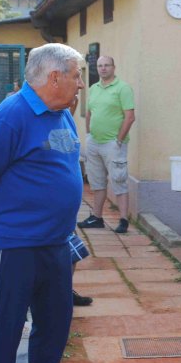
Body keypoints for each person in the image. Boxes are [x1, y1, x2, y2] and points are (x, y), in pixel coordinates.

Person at [0, 43, 85, 363]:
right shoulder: (11, 117)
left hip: (57, 244)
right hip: (17, 246)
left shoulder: (62, 113)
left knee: (54, 329)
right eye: (76, 76)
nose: (80, 84)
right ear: (55, 77)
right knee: (5, 332)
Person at [77, 55, 135, 233]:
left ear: (113, 67)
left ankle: (123, 220)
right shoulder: (93, 88)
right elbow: (89, 113)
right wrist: (88, 135)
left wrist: (119, 140)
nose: (103, 68)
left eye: (107, 65)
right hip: (94, 142)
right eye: (100, 65)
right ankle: (97, 218)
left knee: (119, 181)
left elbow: (130, 117)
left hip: (113, 144)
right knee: (97, 182)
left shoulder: (123, 88)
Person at [67, 94, 94, 307]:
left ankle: (65, 290)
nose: (80, 88)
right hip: (45, 211)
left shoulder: (62, 118)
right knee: (67, 254)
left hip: (64, 212)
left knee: (72, 254)